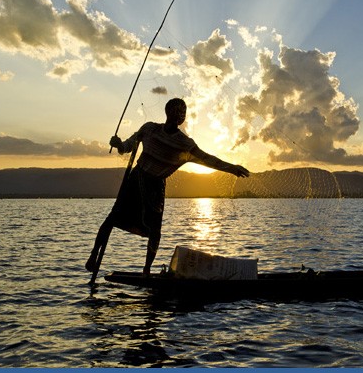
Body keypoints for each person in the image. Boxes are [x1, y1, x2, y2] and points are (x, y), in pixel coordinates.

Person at [86, 98, 250, 276]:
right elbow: (127, 146)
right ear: (167, 112)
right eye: (176, 111)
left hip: (155, 187)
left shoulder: (185, 144)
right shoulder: (149, 129)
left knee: (155, 231)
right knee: (112, 218)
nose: (179, 115)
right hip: (136, 179)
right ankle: (94, 255)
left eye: (182, 113)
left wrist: (231, 168)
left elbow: (208, 159)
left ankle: (146, 270)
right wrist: (118, 144)